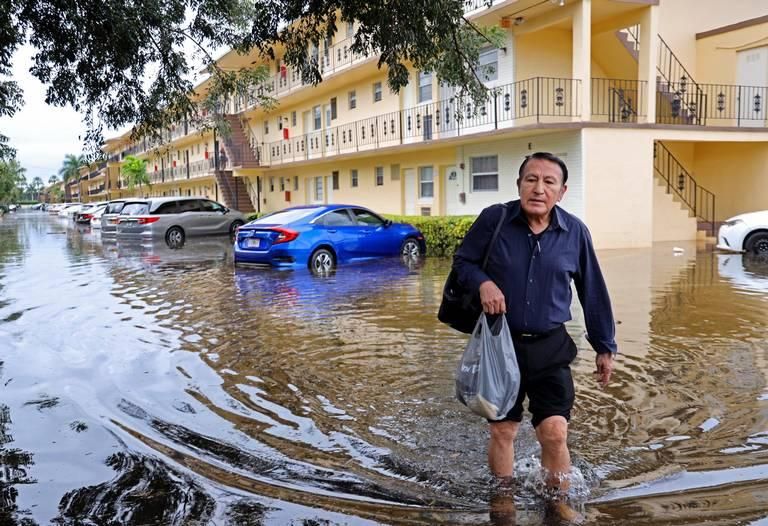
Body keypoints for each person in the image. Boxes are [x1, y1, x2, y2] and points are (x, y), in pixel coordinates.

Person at [453, 152, 617, 500]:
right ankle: (503, 504)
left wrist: (605, 346)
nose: (538, 188)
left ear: (562, 191)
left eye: (548, 182)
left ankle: (558, 507)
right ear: (519, 185)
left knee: (555, 432)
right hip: (500, 346)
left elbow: (593, 290)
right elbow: (463, 262)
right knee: (503, 431)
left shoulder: (575, 233)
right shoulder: (494, 220)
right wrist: (483, 282)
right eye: (531, 179)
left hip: (550, 346)